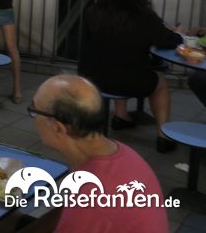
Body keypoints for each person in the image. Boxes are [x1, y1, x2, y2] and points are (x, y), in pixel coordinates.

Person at [24, 75, 168, 232]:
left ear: (58, 128)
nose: (33, 118)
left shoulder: (91, 204)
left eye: (34, 110)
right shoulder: (120, 152)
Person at [78, 0, 180, 152]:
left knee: (116, 64)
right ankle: (164, 136)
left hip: (91, 78)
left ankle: (121, 116)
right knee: (160, 82)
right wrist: (179, 33)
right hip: (129, 81)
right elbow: (167, 40)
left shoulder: (93, 11)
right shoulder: (144, 16)